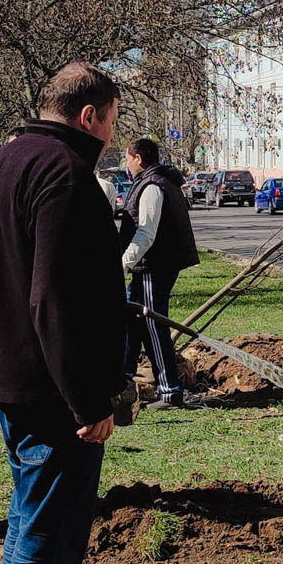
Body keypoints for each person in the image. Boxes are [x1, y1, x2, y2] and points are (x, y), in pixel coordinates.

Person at [0, 62, 126, 564]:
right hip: (51, 393)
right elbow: (52, 301)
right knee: (45, 539)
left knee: (33, 528)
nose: (115, 135)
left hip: (13, 377)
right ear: (88, 114)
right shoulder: (65, 176)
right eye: (113, 120)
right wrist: (89, 402)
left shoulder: (2, 163)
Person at [118, 138, 202, 410]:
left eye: (127, 159)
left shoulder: (153, 186)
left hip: (155, 266)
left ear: (138, 158)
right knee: (132, 322)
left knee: (154, 326)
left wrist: (123, 263)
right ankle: (123, 384)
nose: (126, 165)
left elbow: (146, 233)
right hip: (148, 267)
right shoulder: (155, 181)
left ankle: (170, 393)